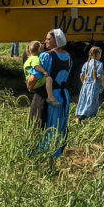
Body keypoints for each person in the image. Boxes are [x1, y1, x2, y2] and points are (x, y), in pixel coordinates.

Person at [29, 29, 71, 158]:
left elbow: (34, 76)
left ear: (56, 41)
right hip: (63, 95)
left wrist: (30, 85)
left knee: (40, 123)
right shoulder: (68, 56)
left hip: (47, 95)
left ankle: (39, 154)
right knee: (58, 125)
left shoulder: (46, 56)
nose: (46, 41)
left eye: (48, 39)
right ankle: (56, 152)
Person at [75, 46, 104, 121]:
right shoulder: (99, 64)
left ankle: (80, 114)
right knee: (92, 101)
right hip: (93, 85)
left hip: (85, 85)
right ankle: (86, 117)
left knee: (84, 100)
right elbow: (99, 76)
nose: (101, 55)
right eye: (100, 53)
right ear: (97, 54)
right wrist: (103, 78)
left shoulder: (86, 64)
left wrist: (83, 82)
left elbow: (81, 75)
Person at [23, 40, 57, 104]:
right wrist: (44, 71)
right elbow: (36, 66)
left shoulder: (28, 60)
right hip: (36, 81)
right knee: (49, 79)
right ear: (39, 50)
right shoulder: (35, 58)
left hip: (29, 81)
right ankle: (50, 97)